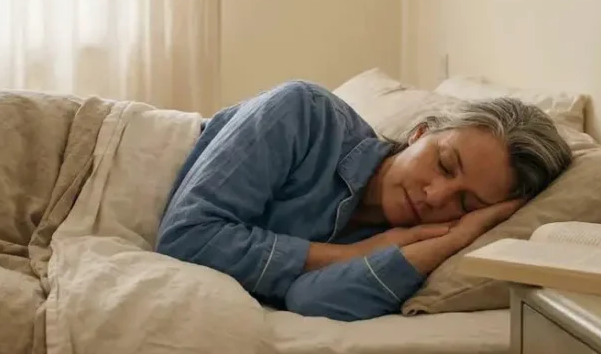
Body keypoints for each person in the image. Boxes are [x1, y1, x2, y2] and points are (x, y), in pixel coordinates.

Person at [155, 80, 573, 322]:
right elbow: (186, 237)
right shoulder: (304, 113)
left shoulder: (406, 241)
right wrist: (350, 253)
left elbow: (310, 301)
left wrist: (453, 239)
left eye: (466, 204)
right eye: (445, 164)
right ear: (420, 132)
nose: (435, 196)